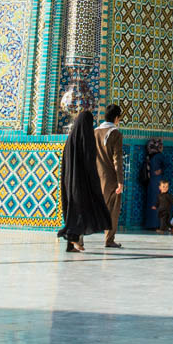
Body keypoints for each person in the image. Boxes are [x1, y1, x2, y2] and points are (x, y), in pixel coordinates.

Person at [58, 106, 112, 253]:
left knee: (73, 210)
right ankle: (74, 239)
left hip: (69, 182)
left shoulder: (71, 139)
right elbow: (89, 162)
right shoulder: (86, 139)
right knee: (81, 210)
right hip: (82, 183)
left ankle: (71, 243)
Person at [95, 103, 125, 248]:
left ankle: (78, 237)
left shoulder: (95, 132)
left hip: (95, 176)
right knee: (113, 209)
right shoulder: (115, 134)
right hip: (110, 179)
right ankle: (109, 239)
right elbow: (117, 158)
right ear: (116, 118)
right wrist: (120, 180)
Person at [140, 138, 167, 230]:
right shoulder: (159, 156)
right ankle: (157, 225)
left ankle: (150, 224)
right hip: (158, 184)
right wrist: (161, 170)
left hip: (150, 184)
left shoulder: (149, 156)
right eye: (161, 146)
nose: (162, 148)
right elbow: (168, 165)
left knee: (151, 203)